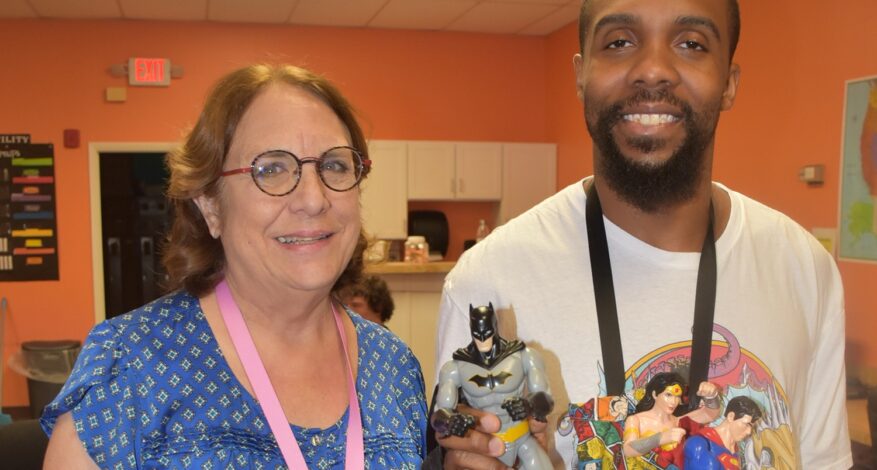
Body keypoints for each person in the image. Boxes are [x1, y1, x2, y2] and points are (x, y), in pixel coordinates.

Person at [433, 0, 851, 468]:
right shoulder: (489, 281)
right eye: (619, 42)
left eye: (691, 43)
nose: (652, 69)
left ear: (729, 83)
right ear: (580, 74)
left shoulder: (804, 269)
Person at [41, 64, 427, 468]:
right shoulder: (130, 365)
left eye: (334, 165)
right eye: (271, 168)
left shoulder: (393, 365)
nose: (314, 199)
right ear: (211, 205)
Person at [432, 303, 553, 469]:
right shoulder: (455, 368)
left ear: (495, 326)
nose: (483, 339)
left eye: (487, 333)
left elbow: (545, 399)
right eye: (477, 333)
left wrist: (530, 405)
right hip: (486, 447)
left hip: (521, 438)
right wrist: (451, 422)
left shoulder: (523, 356)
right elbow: (440, 414)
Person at [622, 372, 720, 467]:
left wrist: (711, 396)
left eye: (677, 396)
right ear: (655, 394)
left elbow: (710, 414)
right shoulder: (636, 420)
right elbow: (628, 449)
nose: (673, 401)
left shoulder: (679, 422)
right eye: (668, 395)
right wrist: (660, 438)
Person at [684, 395, 763, 470]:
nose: (749, 432)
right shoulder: (699, 443)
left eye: (751, 427)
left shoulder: (737, 453)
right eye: (746, 424)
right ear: (731, 416)